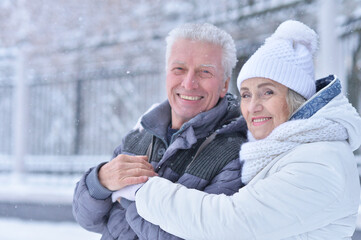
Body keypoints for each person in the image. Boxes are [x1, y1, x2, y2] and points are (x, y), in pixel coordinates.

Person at [134, 20, 361, 239]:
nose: (253, 106)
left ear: (296, 98)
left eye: (268, 92)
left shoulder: (320, 163)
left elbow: (228, 222)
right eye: (246, 94)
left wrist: (140, 189)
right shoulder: (284, 151)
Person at [72, 22, 248, 239]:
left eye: (204, 72)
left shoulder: (235, 152)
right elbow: (87, 219)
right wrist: (99, 181)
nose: (189, 82)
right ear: (167, 74)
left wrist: (128, 195)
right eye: (179, 69)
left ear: (224, 84)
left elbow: (195, 235)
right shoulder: (142, 134)